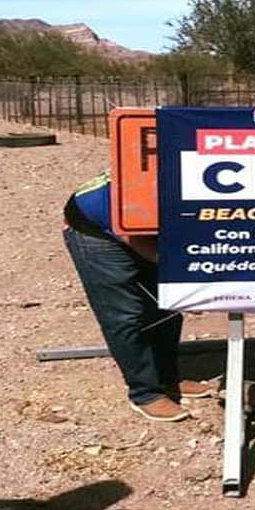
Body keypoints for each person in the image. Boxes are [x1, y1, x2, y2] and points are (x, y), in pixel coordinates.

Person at [63, 173, 210, 422]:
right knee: (125, 314)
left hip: (138, 221)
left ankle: (168, 380)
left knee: (167, 309)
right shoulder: (137, 195)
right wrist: (183, 278)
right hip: (95, 229)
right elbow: (136, 238)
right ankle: (145, 393)